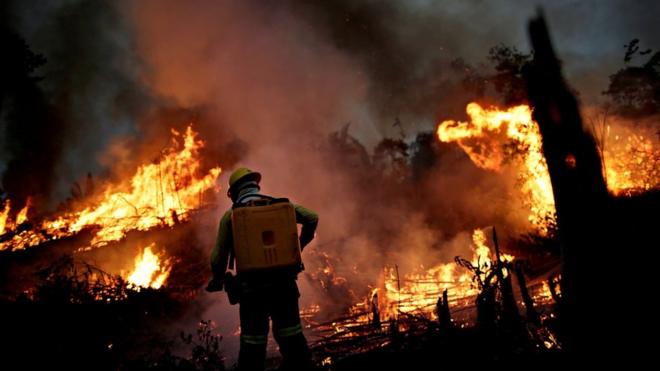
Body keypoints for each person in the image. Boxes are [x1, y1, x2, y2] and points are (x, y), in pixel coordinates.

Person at [206, 167, 318, 371]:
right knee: (292, 339)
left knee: (253, 346)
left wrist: (217, 279)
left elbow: (217, 258)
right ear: (256, 185)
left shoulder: (231, 216)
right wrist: (299, 246)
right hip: (285, 287)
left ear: (233, 192)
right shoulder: (281, 206)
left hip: (252, 292)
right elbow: (312, 217)